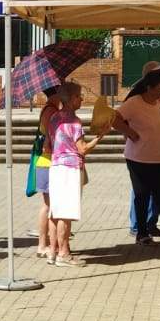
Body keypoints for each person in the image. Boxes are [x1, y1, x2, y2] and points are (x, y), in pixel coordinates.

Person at [109, 69, 160, 245]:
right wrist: (129, 132)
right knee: (141, 195)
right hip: (138, 159)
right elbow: (114, 118)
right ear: (149, 88)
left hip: (159, 158)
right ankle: (142, 233)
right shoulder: (134, 103)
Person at [45, 82, 99, 266]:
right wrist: (100, 137)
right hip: (70, 168)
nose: (82, 99)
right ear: (71, 98)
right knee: (66, 213)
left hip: (55, 166)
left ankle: (52, 251)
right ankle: (64, 254)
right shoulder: (74, 122)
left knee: (55, 212)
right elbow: (82, 149)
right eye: (79, 96)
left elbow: (48, 145)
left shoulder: (53, 118)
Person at [31, 86, 63, 258]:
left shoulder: (49, 109)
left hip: (45, 162)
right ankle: (44, 245)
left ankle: (46, 244)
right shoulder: (51, 111)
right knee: (49, 206)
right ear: (56, 94)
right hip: (48, 162)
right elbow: (53, 137)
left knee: (48, 205)